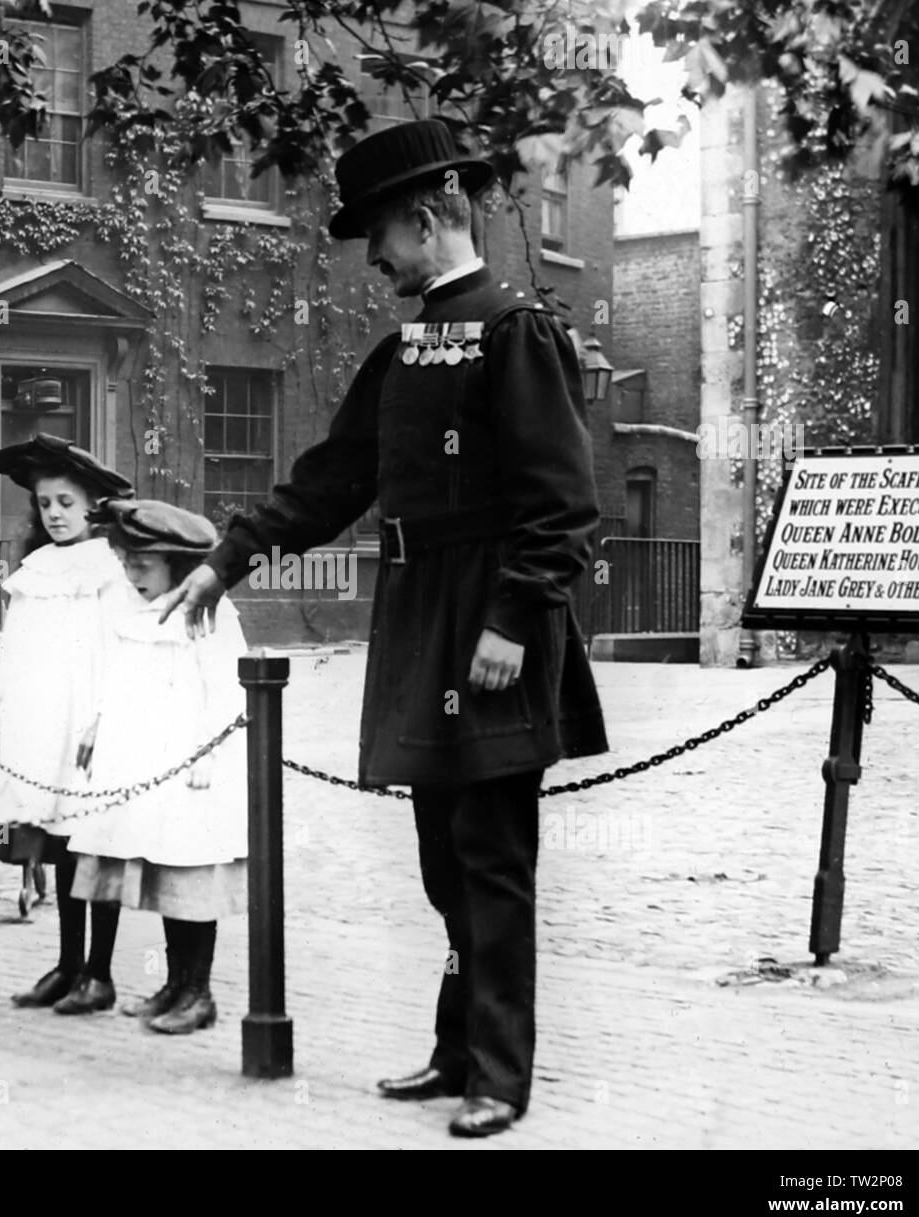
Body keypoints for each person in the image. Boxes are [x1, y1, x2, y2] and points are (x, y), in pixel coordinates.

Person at [158, 119, 609, 1136]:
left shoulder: (515, 330)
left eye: (378, 233)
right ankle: (455, 1054)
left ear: (428, 214)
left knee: (492, 860)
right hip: (418, 617)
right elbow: (331, 480)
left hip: (491, 621)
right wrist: (225, 562)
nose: (372, 256)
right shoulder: (406, 348)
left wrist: (511, 622)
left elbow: (563, 505)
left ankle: (501, 1072)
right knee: (444, 859)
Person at [65, 498, 248, 1035]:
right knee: (166, 874)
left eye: (142, 564)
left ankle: (199, 992)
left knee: (193, 878)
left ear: (177, 564)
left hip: (193, 772)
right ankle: (174, 984)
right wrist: (96, 723)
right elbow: (114, 676)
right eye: (126, 561)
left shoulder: (209, 613)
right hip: (144, 768)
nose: (131, 573)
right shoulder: (127, 609)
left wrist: (206, 753)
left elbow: (228, 693)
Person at [0, 433, 138, 1014]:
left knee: (94, 844)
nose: (55, 515)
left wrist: (105, 718)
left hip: (89, 728)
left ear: (92, 505)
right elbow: (13, 655)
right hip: (42, 726)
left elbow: (123, 651)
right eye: (46, 505)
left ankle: (101, 973)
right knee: (60, 846)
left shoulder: (110, 571)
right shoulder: (34, 571)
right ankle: (68, 966)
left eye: (66, 503)